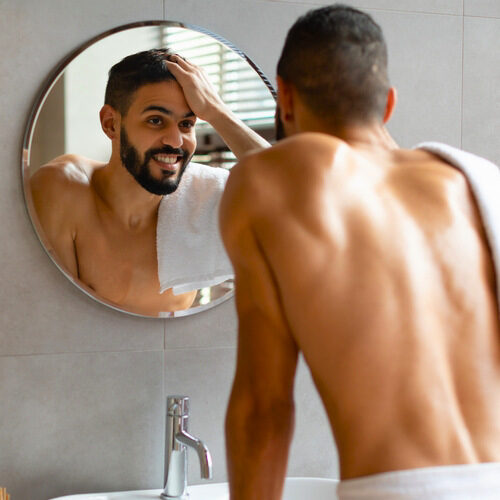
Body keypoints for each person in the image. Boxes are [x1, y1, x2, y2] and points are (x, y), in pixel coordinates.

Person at [220, 5, 500, 499]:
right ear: (388, 103)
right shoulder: (479, 183)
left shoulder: (268, 179)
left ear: (284, 96)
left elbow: (263, 409)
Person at [30, 49, 268, 316]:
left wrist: (216, 111)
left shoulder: (204, 197)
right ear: (110, 124)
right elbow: (55, 323)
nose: (176, 141)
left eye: (187, 123)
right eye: (156, 120)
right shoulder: (64, 189)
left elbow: (293, 188)